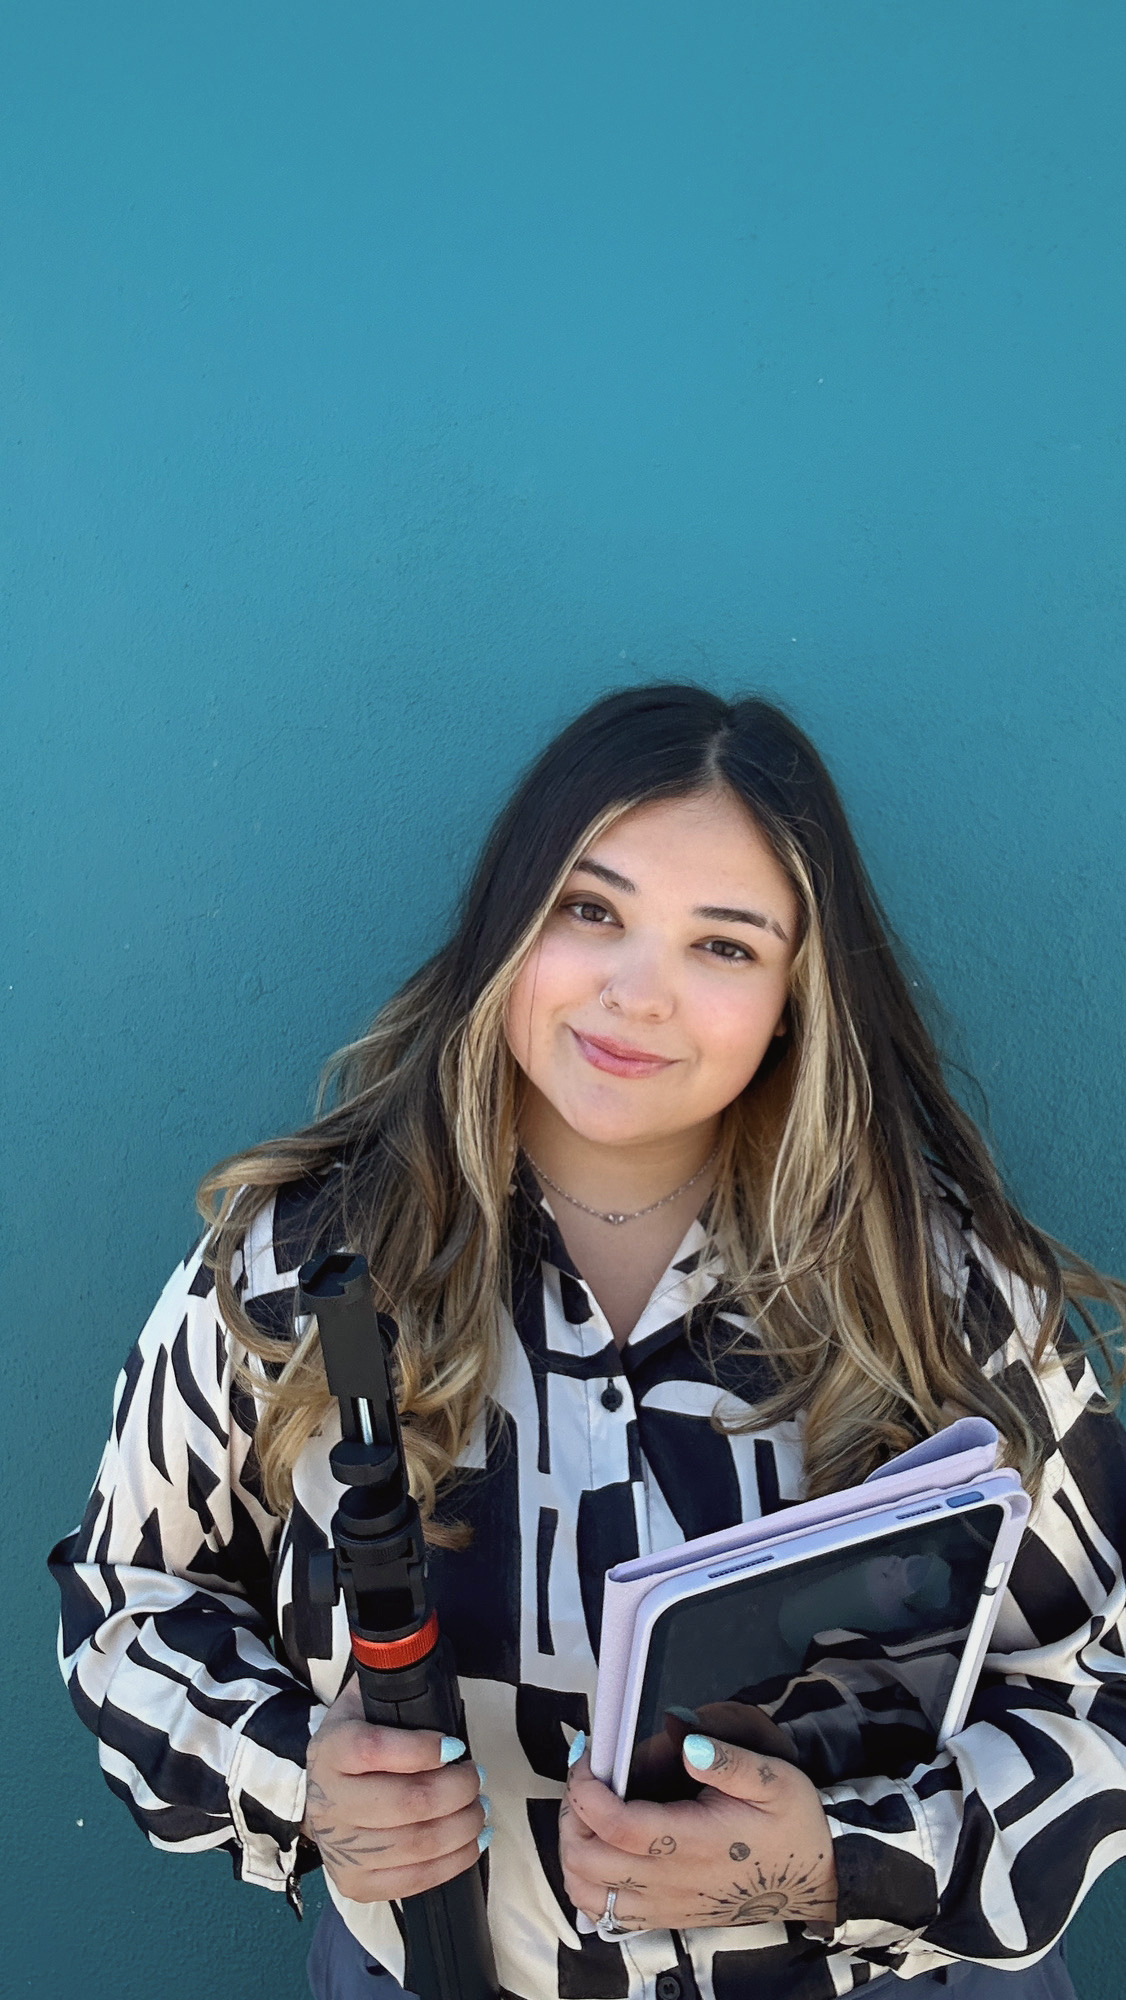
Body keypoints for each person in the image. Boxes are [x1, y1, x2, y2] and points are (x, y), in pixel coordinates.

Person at [51, 684, 1126, 2000]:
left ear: (795, 993)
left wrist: (835, 1859)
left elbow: (1096, 1679)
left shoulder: (932, 1285)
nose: (637, 996)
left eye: (722, 947)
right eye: (590, 909)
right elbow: (127, 1602)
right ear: (513, 920)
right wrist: (298, 1778)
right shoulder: (296, 1265)